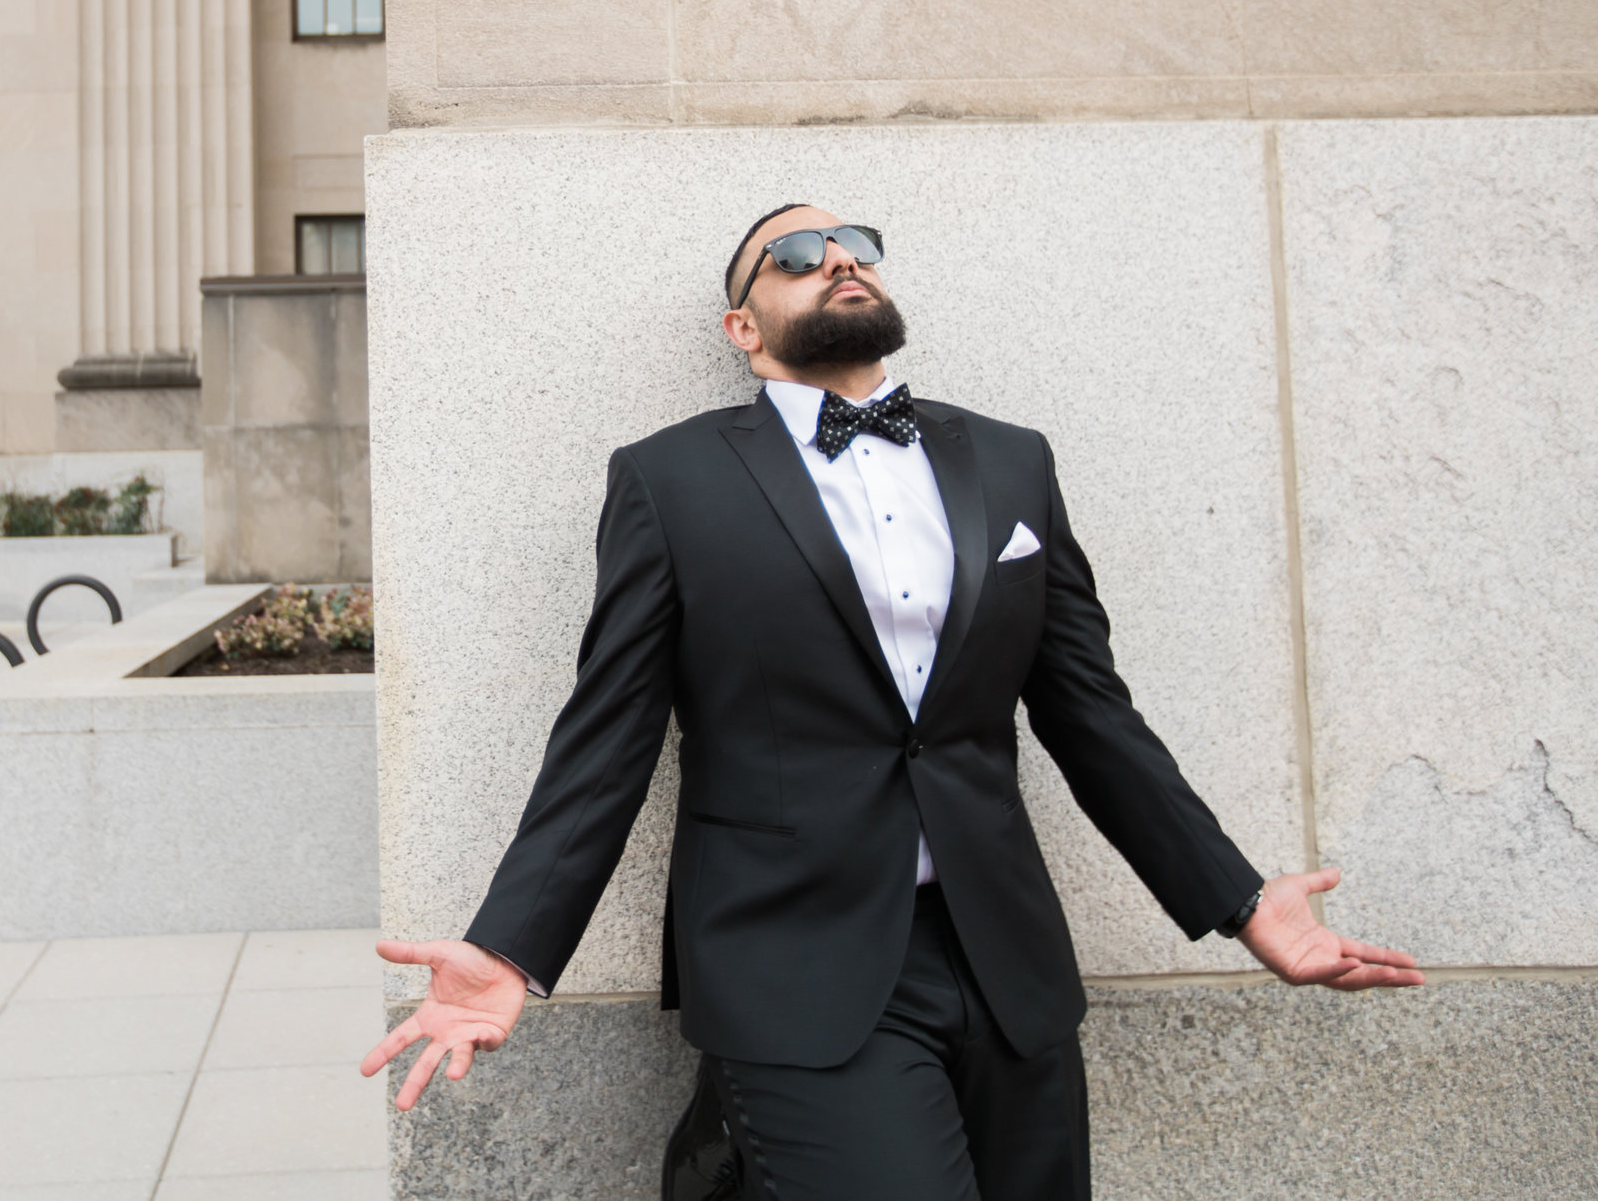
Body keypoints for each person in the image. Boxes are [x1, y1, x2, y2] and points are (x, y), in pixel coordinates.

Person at [362, 205, 1423, 1200]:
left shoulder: (1010, 460)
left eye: (857, 238)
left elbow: (1091, 714)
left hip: (1006, 962)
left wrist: (1238, 901)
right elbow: (608, 735)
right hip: (791, 960)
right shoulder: (670, 479)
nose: (838, 255)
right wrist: (510, 948)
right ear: (744, 325)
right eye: (796, 251)